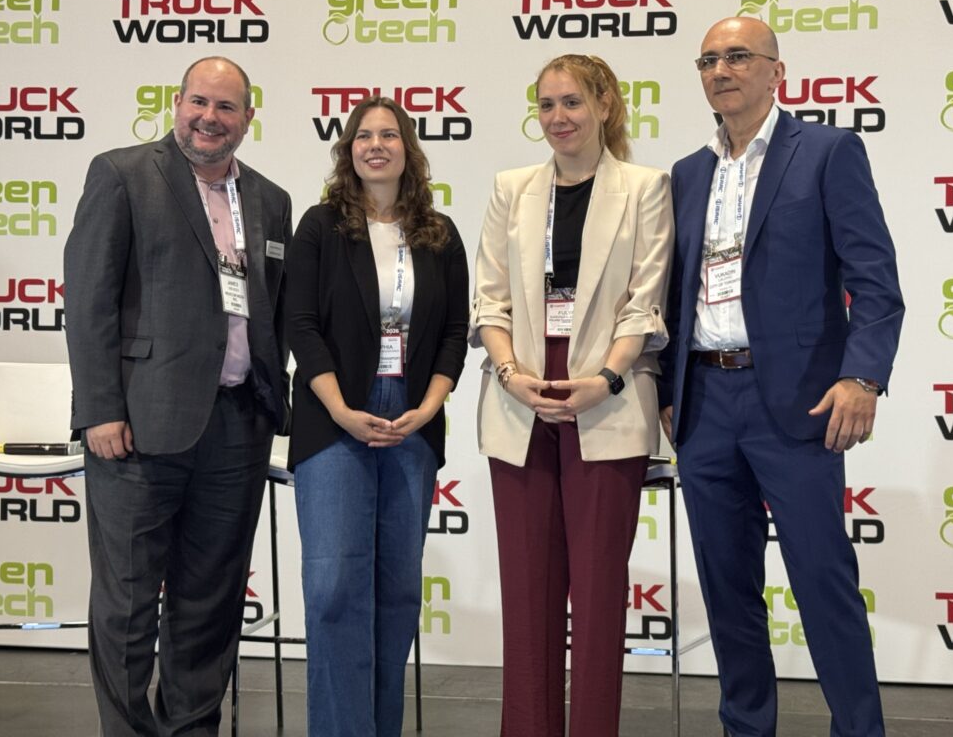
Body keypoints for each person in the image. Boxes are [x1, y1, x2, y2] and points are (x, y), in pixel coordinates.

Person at [657, 17, 905, 737]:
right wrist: (670, 390)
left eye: (738, 56)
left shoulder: (827, 152)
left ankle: (860, 730)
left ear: (776, 71)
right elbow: (676, 292)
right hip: (704, 405)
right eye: (708, 59)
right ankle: (746, 729)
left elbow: (877, 283)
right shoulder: (687, 173)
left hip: (797, 406)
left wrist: (863, 376)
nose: (720, 69)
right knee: (729, 594)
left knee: (823, 586)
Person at [63, 56, 292, 736]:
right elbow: (89, 301)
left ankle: (191, 729)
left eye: (227, 108)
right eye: (200, 102)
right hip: (136, 426)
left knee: (210, 603)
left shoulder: (271, 199)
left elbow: (271, 309)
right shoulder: (122, 175)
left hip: (237, 429)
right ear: (176, 103)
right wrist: (99, 410)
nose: (210, 118)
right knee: (128, 604)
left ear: (248, 119)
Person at [471, 54, 673, 737]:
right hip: (518, 395)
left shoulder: (646, 188)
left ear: (606, 104)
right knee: (526, 598)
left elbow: (645, 307)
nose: (558, 118)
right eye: (547, 104)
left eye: (572, 103)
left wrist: (606, 380)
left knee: (596, 599)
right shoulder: (511, 188)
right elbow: (490, 301)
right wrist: (509, 374)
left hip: (608, 401)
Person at [285, 95, 469, 737]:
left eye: (389, 134)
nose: (376, 145)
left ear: (408, 149)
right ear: (348, 149)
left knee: (395, 594)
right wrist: (341, 409)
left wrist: (427, 408)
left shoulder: (438, 234)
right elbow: (300, 325)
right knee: (335, 589)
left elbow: (453, 331)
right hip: (335, 416)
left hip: (411, 421)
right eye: (364, 135)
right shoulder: (320, 226)